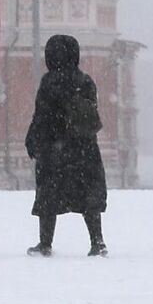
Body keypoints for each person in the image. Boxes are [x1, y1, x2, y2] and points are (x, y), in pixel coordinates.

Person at [24, 35, 107, 255]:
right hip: (84, 149)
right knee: (88, 194)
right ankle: (97, 242)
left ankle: (45, 243)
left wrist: (33, 139)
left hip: (54, 149)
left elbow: (41, 116)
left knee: (48, 196)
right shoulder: (86, 81)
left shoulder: (49, 82)